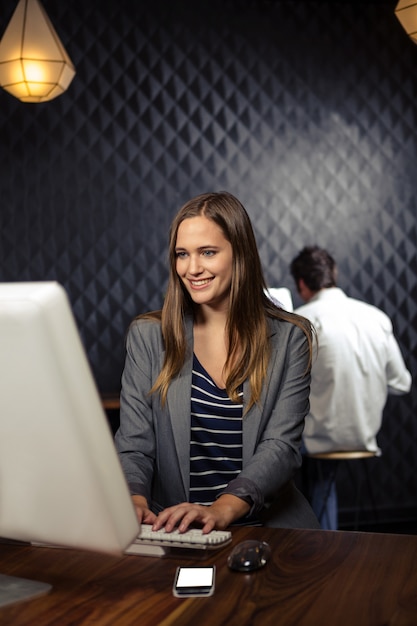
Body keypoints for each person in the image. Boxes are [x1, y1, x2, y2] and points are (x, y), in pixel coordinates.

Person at [115, 191, 320, 534]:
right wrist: (134, 498)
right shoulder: (148, 336)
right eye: (182, 254)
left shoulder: (290, 338)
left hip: (267, 529)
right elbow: (135, 445)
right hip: (177, 531)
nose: (192, 268)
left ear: (240, 254)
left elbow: (281, 447)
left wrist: (223, 509)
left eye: (207, 252)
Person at [290, 245, 412, 530]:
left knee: (281, 454)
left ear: (302, 284)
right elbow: (401, 383)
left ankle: (313, 543)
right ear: (333, 275)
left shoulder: (302, 320)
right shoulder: (376, 317)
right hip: (365, 436)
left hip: (319, 441)